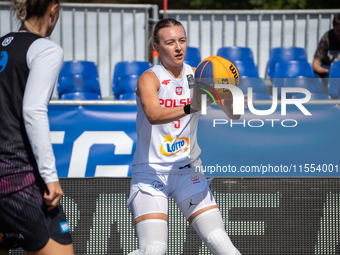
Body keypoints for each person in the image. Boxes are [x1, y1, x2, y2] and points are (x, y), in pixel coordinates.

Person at [127, 18, 241, 255]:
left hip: (188, 171)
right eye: (170, 42)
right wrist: (193, 105)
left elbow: (235, 115)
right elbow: (153, 114)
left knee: (221, 243)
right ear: (156, 48)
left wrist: (231, 96)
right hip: (151, 173)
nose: (178, 47)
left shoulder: (199, 75)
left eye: (182, 40)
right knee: (155, 249)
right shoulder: (149, 78)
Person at [0, 0, 74, 255]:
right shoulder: (45, 49)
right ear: (53, 9)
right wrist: (50, 178)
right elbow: (33, 110)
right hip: (18, 181)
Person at [312, 14, 340, 78]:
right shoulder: (326, 38)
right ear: (334, 27)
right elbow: (315, 65)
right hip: (327, 68)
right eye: (338, 30)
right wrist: (329, 71)